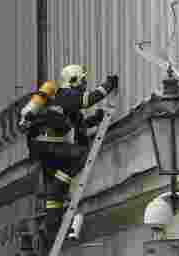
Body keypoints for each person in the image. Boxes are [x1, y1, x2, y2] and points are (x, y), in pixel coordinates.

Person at [19, 64, 118, 241]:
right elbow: (87, 100)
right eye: (83, 80)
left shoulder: (65, 104)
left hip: (43, 149)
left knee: (55, 192)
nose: (85, 84)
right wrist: (108, 85)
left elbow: (77, 126)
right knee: (78, 157)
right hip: (51, 147)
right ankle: (56, 215)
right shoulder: (67, 94)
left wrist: (94, 120)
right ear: (74, 80)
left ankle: (52, 227)